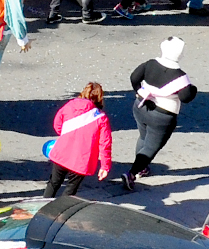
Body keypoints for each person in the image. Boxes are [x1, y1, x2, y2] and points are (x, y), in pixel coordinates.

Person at [125, 37, 193, 189]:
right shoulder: (180, 77)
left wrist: (140, 92)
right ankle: (132, 173)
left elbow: (134, 77)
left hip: (141, 106)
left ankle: (142, 167)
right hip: (163, 115)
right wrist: (193, 89)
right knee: (151, 146)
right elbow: (186, 97)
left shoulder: (150, 64)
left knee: (143, 137)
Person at [46, 82, 115, 198]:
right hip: (81, 159)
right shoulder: (101, 118)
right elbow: (105, 144)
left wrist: (67, 136)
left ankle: (43, 206)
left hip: (62, 152)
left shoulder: (70, 105)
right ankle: (61, 208)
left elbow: (57, 124)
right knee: (70, 190)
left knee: (53, 183)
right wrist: (104, 166)